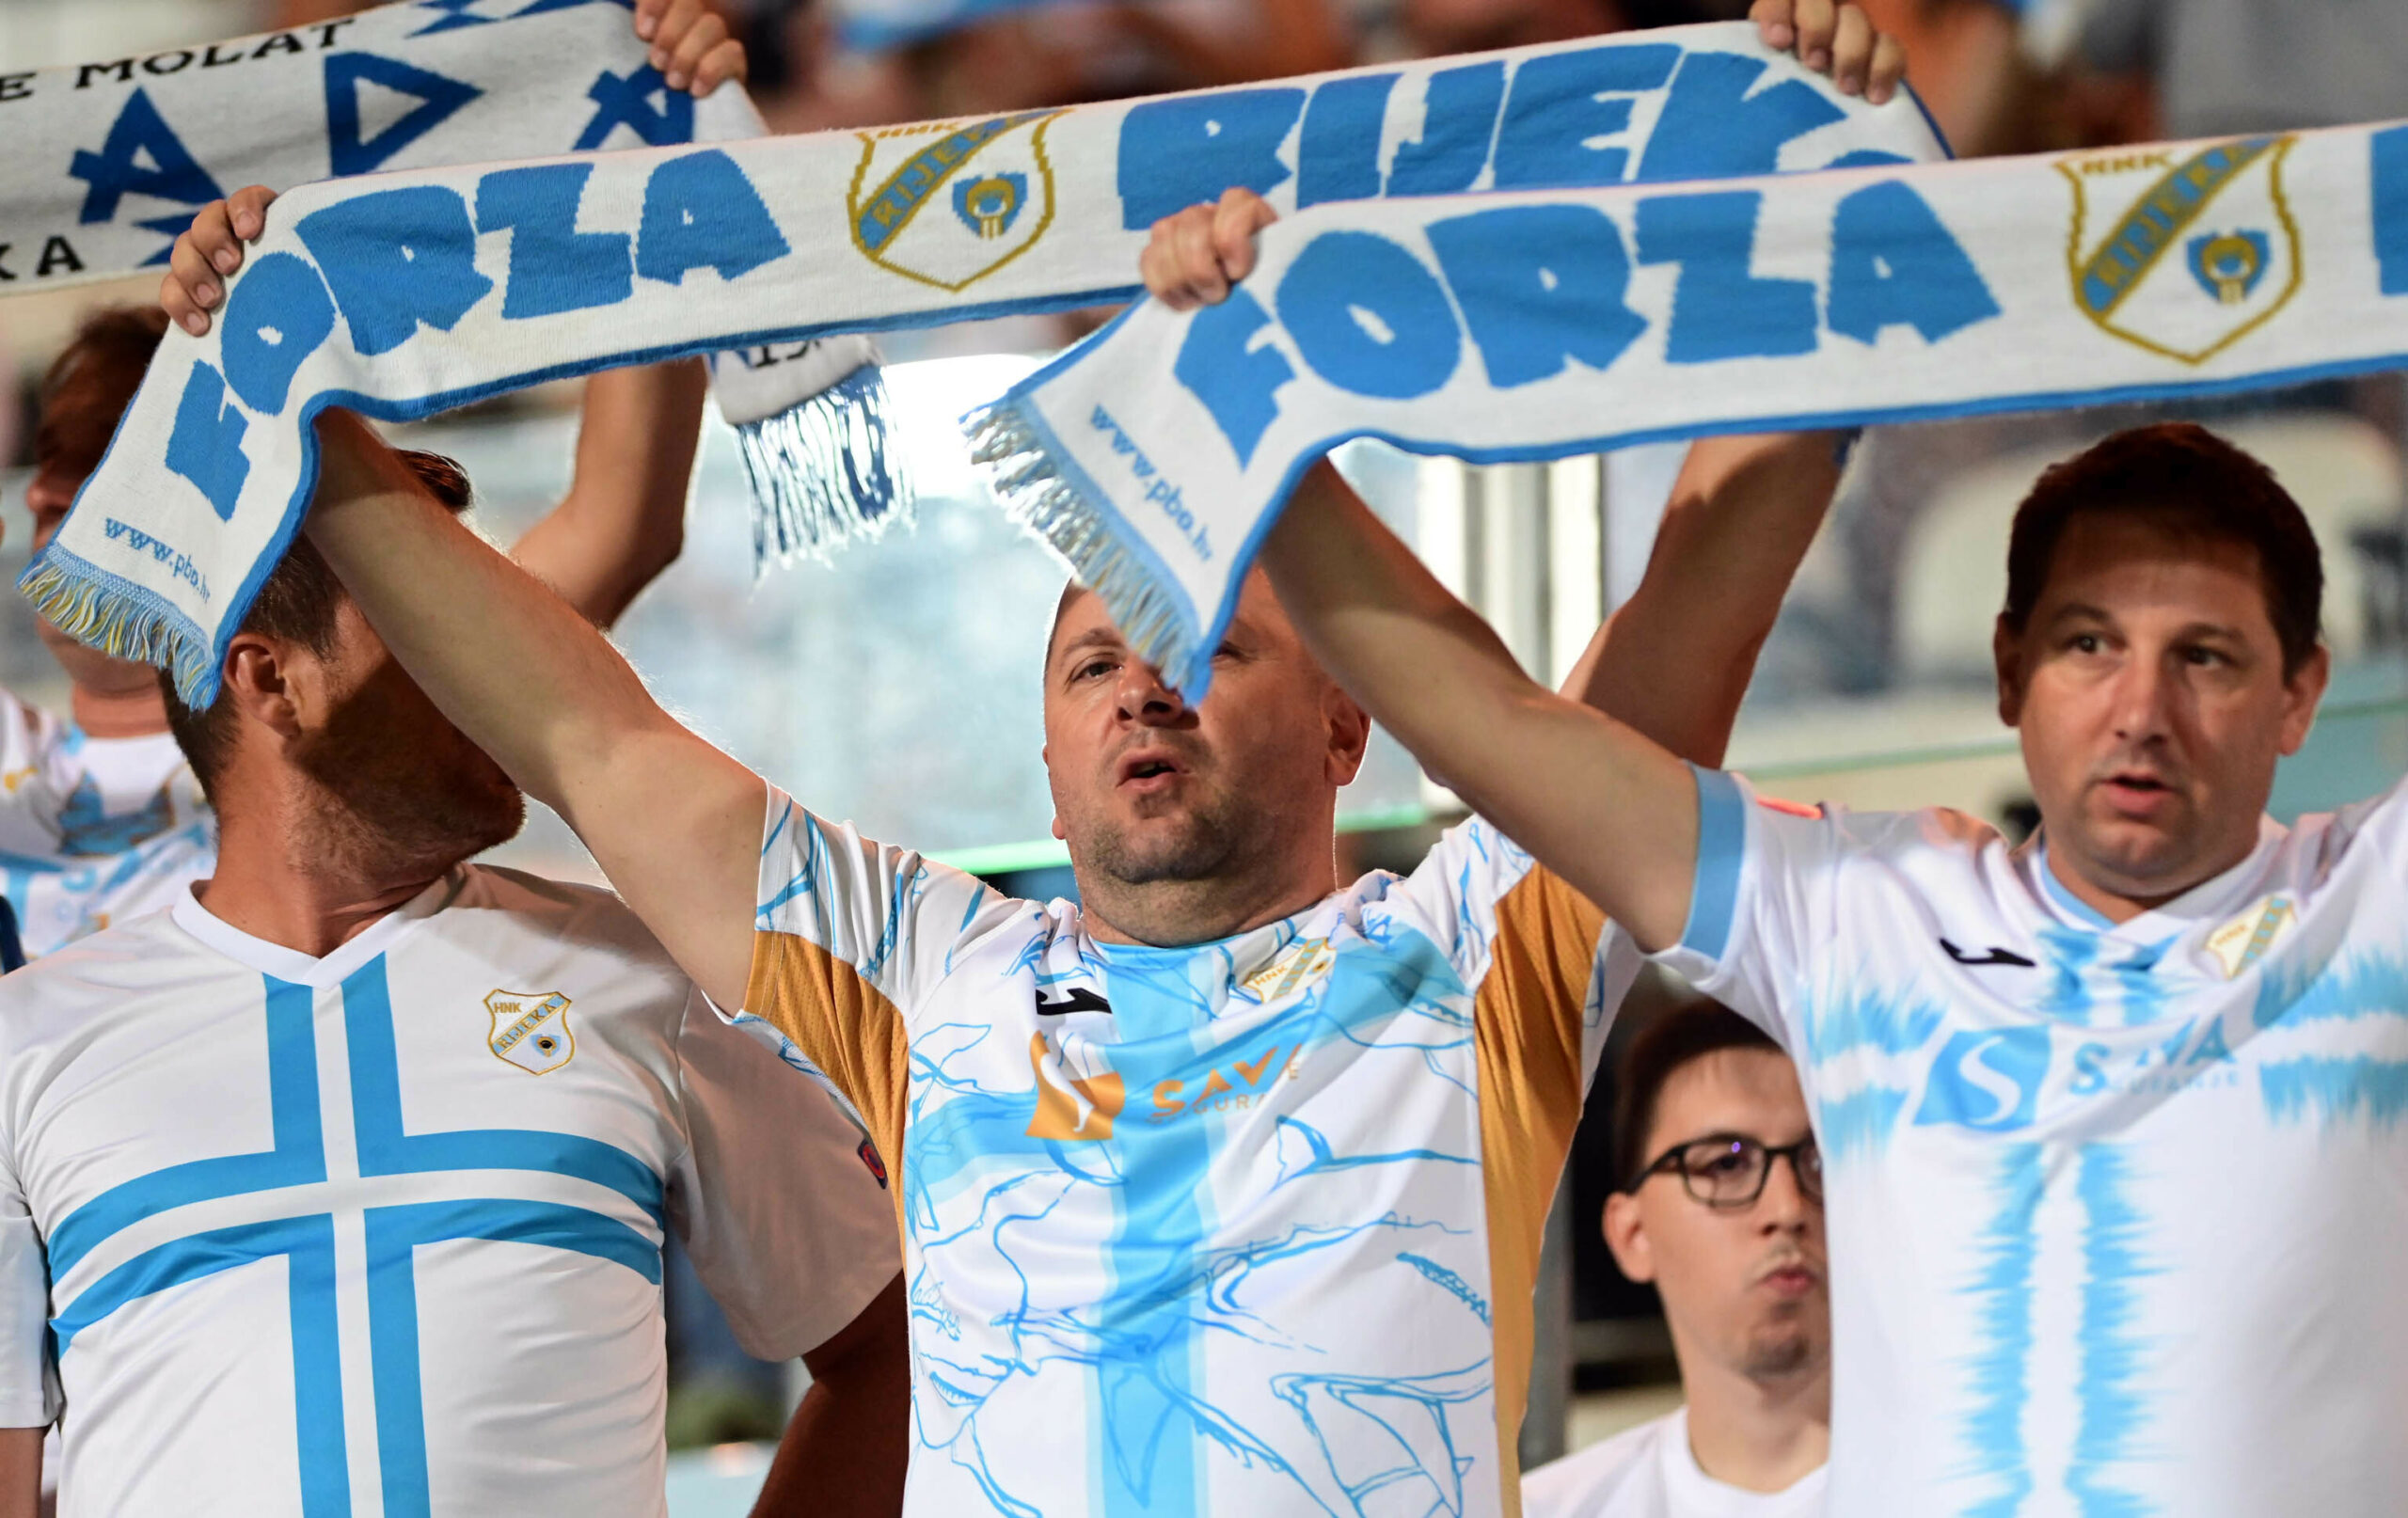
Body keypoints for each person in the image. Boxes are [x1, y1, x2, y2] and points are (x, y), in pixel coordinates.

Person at [144, 12, 1903, 1510]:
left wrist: (1837, 173)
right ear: (1046, 755)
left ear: (1350, 721)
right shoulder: (926, 967)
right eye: (1092, 664)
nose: (1144, 691)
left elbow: (1702, 588)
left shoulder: (1480, 938)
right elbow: (578, 724)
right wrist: (307, 421)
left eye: (1210, 643)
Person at [1219, 295, 2402, 1503]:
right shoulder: (1867, 910)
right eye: (2088, 646)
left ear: (2301, 693)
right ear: (2008, 670)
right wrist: (1239, 388)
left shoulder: (2372, 901)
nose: (2140, 711)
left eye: (2203, 657)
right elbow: (1486, 722)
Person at [0, 407, 910, 1517]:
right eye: (427, 624)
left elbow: (890, 1350)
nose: (491, 671)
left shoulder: (650, 978)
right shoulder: (26, 1040)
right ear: (270, 677)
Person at [0, 0, 745, 965]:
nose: (45, 502)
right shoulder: (20, 768)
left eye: (112, 471)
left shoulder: (393, 685)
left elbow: (622, 517)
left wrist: (657, 171)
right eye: (49, 470)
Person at [1522, 1006, 1827, 1518]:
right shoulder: (1546, 1509)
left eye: (1820, 1160)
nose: (1787, 1208)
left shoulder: (1969, 1487)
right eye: (1726, 1163)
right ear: (1632, 1234)